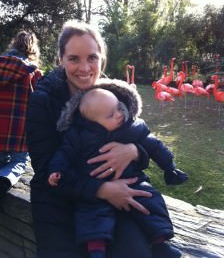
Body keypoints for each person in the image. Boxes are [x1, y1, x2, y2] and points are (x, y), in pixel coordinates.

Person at [26, 19, 156, 258]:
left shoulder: (114, 94)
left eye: (92, 58)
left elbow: (139, 136)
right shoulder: (43, 100)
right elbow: (46, 170)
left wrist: (135, 152)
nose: (84, 68)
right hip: (58, 203)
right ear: (61, 59)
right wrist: (103, 189)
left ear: (101, 58)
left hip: (113, 204)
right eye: (74, 58)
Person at [48, 85, 188, 258]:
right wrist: (57, 170)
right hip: (94, 186)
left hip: (132, 181)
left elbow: (153, 144)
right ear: (93, 122)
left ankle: (160, 244)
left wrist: (169, 166)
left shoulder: (132, 127)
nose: (119, 114)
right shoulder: (78, 135)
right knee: (92, 216)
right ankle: (97, 252)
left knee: (152, 200)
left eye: (118, 108)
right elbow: (64, 153)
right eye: (110, 115)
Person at [0, 30, 42, 198]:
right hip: (19, 138)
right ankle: (5, 179)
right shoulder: (34, 74)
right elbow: (40, 107)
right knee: (19, 162)